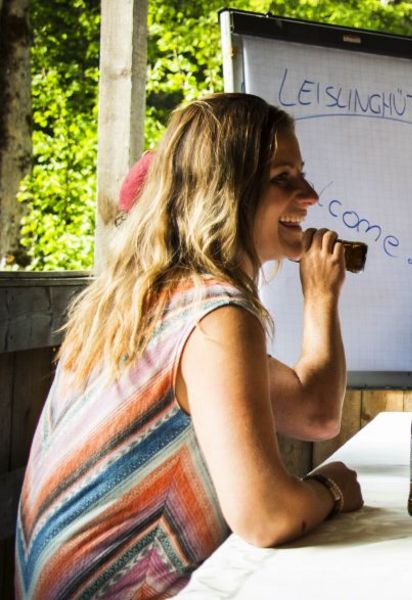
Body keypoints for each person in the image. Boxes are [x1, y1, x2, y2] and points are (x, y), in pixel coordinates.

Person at [16, 93, 364, 599]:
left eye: (303, 174)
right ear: (226, 190)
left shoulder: (158, 294)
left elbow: (313, 415)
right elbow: (265, 515)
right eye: (282, 178)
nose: (309, 194)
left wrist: (321, 297)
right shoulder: (216, 314)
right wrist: (330, 490)